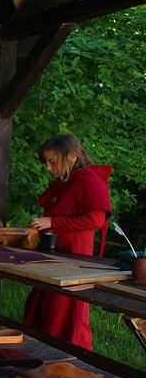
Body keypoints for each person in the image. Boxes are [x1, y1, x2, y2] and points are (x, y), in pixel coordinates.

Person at [24, 133, 112, 350]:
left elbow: (96, 219)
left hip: (74, 259)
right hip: (56, 256)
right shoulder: (66, 182)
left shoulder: (89, 180)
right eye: (47, 162)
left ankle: (69, 357)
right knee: (44, 307)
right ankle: (40, 350)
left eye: (52, 162)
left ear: (72, 157)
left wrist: (52, 221)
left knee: (64, 310)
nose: (48, 168)